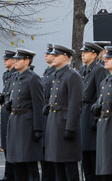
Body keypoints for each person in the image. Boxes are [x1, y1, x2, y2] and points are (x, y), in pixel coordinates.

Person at [44, 44, 83, 181]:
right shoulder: (57, 74)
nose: (53, 58)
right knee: (57, 166)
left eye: (56, 55)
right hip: (55, 123)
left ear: (65, 57)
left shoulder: (72, 75)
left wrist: (71, 128)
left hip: (65, 124)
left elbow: (75, 103)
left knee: (69, 167)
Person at [5, 49, 44, 181]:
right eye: (15, 59)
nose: (15, 61)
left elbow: (38, 104)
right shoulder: (16, 77)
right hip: (15, 122)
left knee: (29, 162)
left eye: (18, 59)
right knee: (16, 162)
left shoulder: (33, 78)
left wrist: (38, 128)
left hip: (27, 124)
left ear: (27, 61)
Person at [80, 42, 108, 181]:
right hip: (82, 117)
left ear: (95, 55)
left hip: (91, 117)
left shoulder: (99, 70)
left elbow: (101, 96)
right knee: (85, 157)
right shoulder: (83, 70)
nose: (82, 54)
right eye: (82, 52)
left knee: (93, 156)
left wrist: (96, 120)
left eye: (86, 52)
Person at [91, 46, 112, 181]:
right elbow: (99, 102)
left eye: (109, 58)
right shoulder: (105, 82)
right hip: (104, 127)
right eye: (105, 58)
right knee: (104, 169)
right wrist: (96, 107)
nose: (105, 60)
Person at [0, 50, 16, 181]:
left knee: (12, 144)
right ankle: (8, 174)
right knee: (5, 144)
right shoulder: (6, 75)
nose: (4, 61)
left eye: (7, 59)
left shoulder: (15, 74)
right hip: (5, 111)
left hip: (12, 112)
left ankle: (11, 174)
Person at [41, 44, 56, 181]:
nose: (45, 56)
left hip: (52, 113)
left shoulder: (54, 73)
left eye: (49, 54)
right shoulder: (47, 72)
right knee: (45, 150)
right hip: (45, 114)